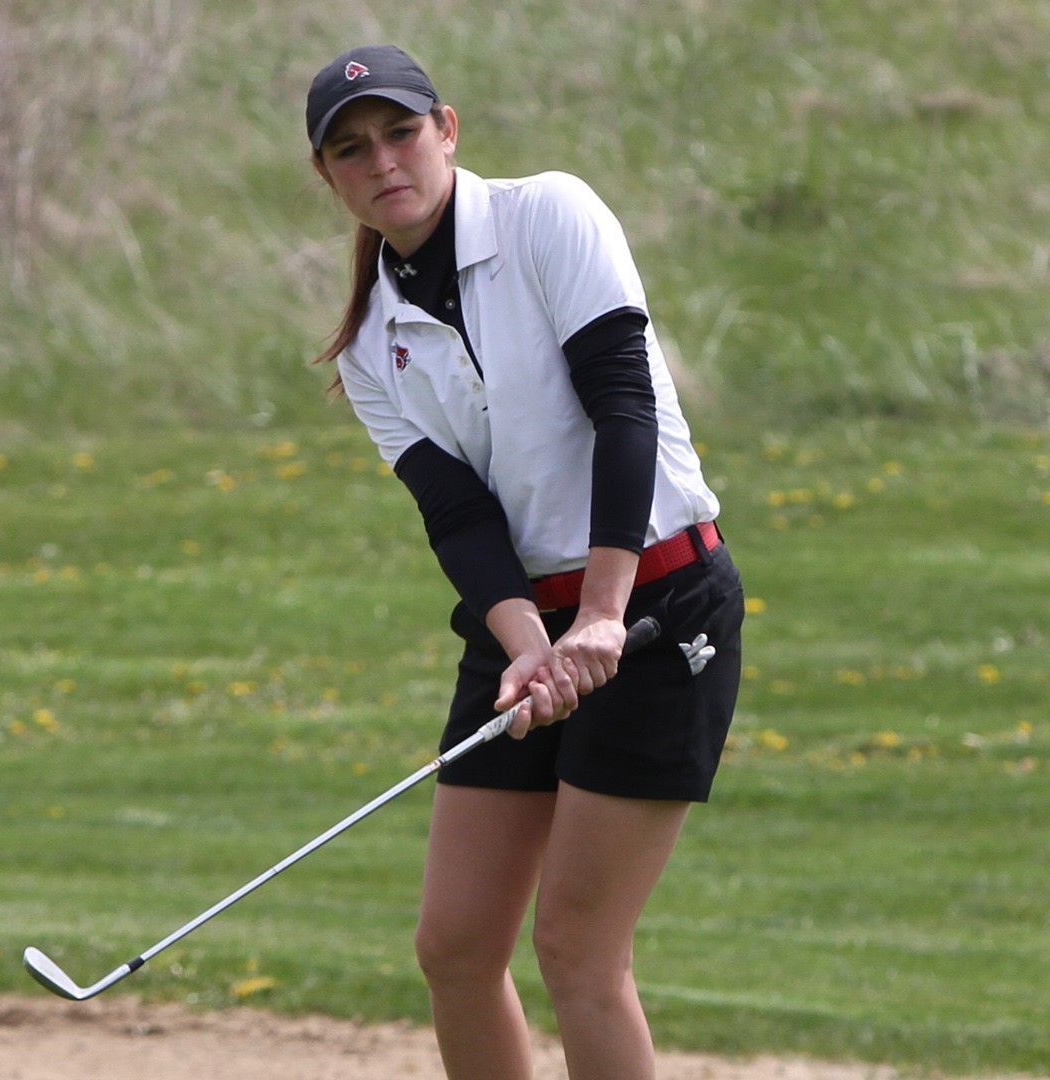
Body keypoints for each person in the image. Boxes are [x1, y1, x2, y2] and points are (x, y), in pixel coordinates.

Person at [303, 44, 745, 1080]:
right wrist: (526, 646)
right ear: (328, 180)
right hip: (529, 625)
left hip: (660, 602)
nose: (384, 162)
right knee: (455, 947)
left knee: (577, 950)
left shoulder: (551, 214)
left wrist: (597, 616)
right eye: (351, 151)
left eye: (401, 132)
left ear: (446, 128)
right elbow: (456, 514)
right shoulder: (368, 343)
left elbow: (622, 407)